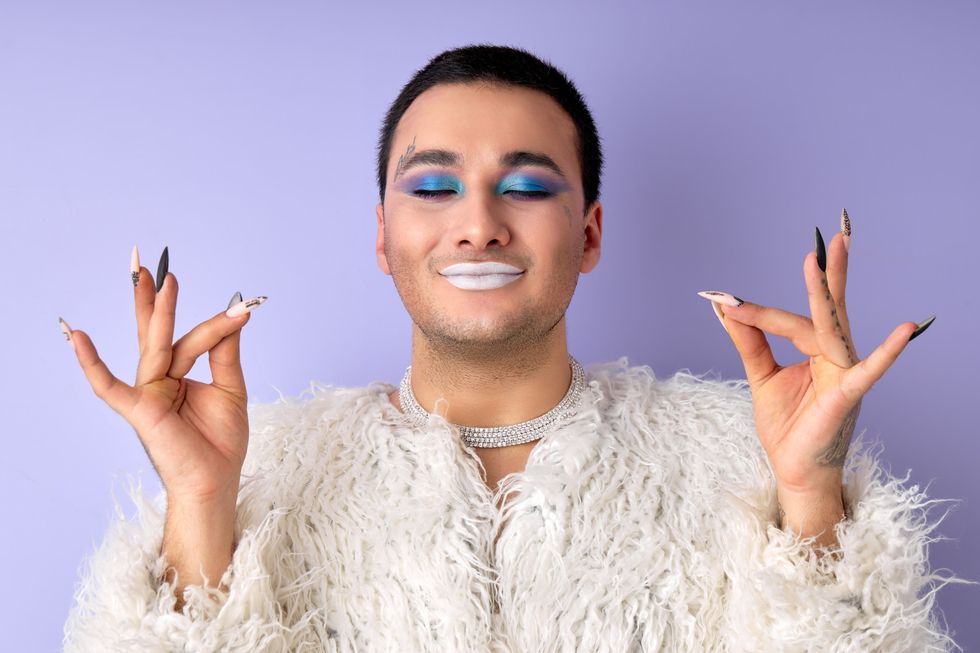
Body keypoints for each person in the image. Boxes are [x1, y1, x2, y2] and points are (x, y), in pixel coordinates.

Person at [61, 44, 964, 652]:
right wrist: (202, 502)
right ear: (384, 237)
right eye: (436, 187)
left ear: (591, 231)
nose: (480, 225)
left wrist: (809, 495)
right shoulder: (274, 465)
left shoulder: (739, 463)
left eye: (526, 185)